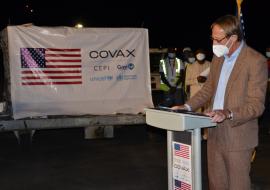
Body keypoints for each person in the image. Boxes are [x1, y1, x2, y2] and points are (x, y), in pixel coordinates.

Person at [172, 15, 268, 190]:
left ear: (233, 38)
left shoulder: (256, 61)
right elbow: (208, 89)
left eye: (218, 39)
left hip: (238, 136)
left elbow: (256, 105)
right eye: (212, 38)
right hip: (214, 132)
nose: (214, 44)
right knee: (216, 184)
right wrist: (186, 106)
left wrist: (227, 113)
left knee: (238, 185)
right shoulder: (218, 59)